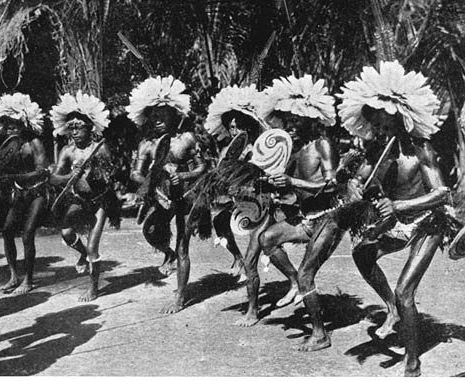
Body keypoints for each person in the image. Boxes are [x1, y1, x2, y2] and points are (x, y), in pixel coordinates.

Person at [336, 60, 449, 376]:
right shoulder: (375, 151)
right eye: (378, 126)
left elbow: (442, 193)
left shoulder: (420, 148)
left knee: (405, 292)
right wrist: (351, 187)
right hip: (398, 223)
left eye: (388, 126)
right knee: (361, 253)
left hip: (428, 223)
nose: (382, 132)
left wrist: (399, 206)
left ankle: (412, 359)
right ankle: (391, 309)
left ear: (402, 121)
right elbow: (356, 180)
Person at [234, 74, 338, 327]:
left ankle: (319, 332)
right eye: (287, 120)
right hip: (306, 219)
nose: (290, 125)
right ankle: (293, 282)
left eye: (296, 120)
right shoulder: (297, 149)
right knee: (266, 238)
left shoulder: (322, 145)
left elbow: (332, 187)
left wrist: (292, 183)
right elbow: (287, 187)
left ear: (311, 118)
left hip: (329, 218)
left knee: (306, 276)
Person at [127, 75, 207, 313]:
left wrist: (182, 176)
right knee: (149, 231)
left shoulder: (186, 139)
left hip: (185, 197)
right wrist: (154, 183)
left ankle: (180, 297)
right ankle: (167, 254)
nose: (158, 119)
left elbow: (202, 167)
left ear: (175, 115)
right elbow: (135, 174)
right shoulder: (147, 145)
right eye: (154, 115)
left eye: (164, 115)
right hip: (160, 196)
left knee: (184, 245)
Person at [50, 90, 121, 302]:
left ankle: (93, 287)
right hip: (78, 200)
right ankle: (81, 253)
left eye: (78, 127)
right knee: (66, 233)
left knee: (92, 247)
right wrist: (71, 175)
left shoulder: (100, 149)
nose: (74, 131)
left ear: (90, 127)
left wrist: (92, 173)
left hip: (99, 203)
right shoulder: (67, 152)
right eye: (71, 127)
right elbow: (54, 178)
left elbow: (111, 178)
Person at [200, 85, 267, 279]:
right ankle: (237, 258)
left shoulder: (258, 147)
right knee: (220, 220)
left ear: (248, 126)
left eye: (238, 125)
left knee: (266, 241)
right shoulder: (227, 150)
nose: (233, 129)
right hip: (239, 199)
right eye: (230, 126)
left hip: (260, 200)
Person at [0, 93, 49, 294]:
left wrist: (15, 177)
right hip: (20, 194)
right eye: (8, 124)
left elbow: (42, 171)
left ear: (24, 122)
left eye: (15, 123)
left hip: (37, 193)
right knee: (7, 231)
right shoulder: (9, 146)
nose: (11, 127)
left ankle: (28, 280)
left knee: (28, 233)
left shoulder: (34, 143)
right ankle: (14, 276)